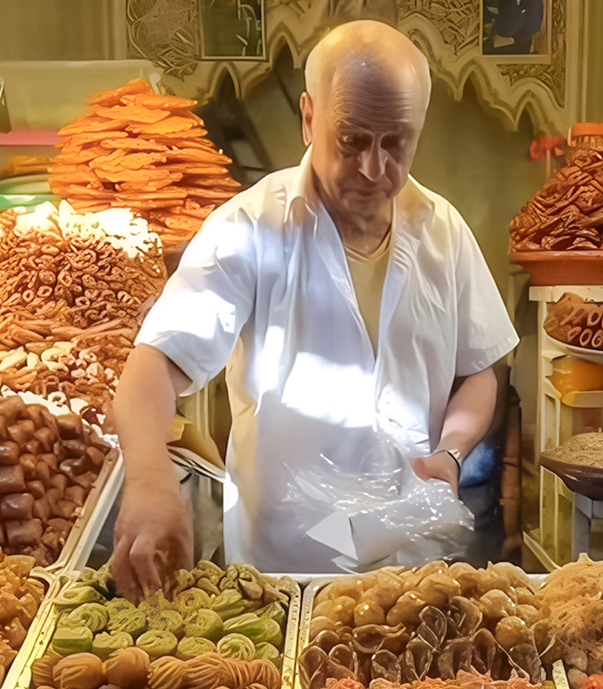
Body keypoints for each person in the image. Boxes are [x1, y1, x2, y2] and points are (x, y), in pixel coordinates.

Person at [109, 19, 517, 596]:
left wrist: (451, 452)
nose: (375, 169)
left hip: (417, 570)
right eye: (352, 140)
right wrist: (150, 479)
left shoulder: (442, 230)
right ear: (308, 118)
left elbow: (479, 371)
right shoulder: (248, 229)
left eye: (396, 142)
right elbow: (151, 368)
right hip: (285, 576)